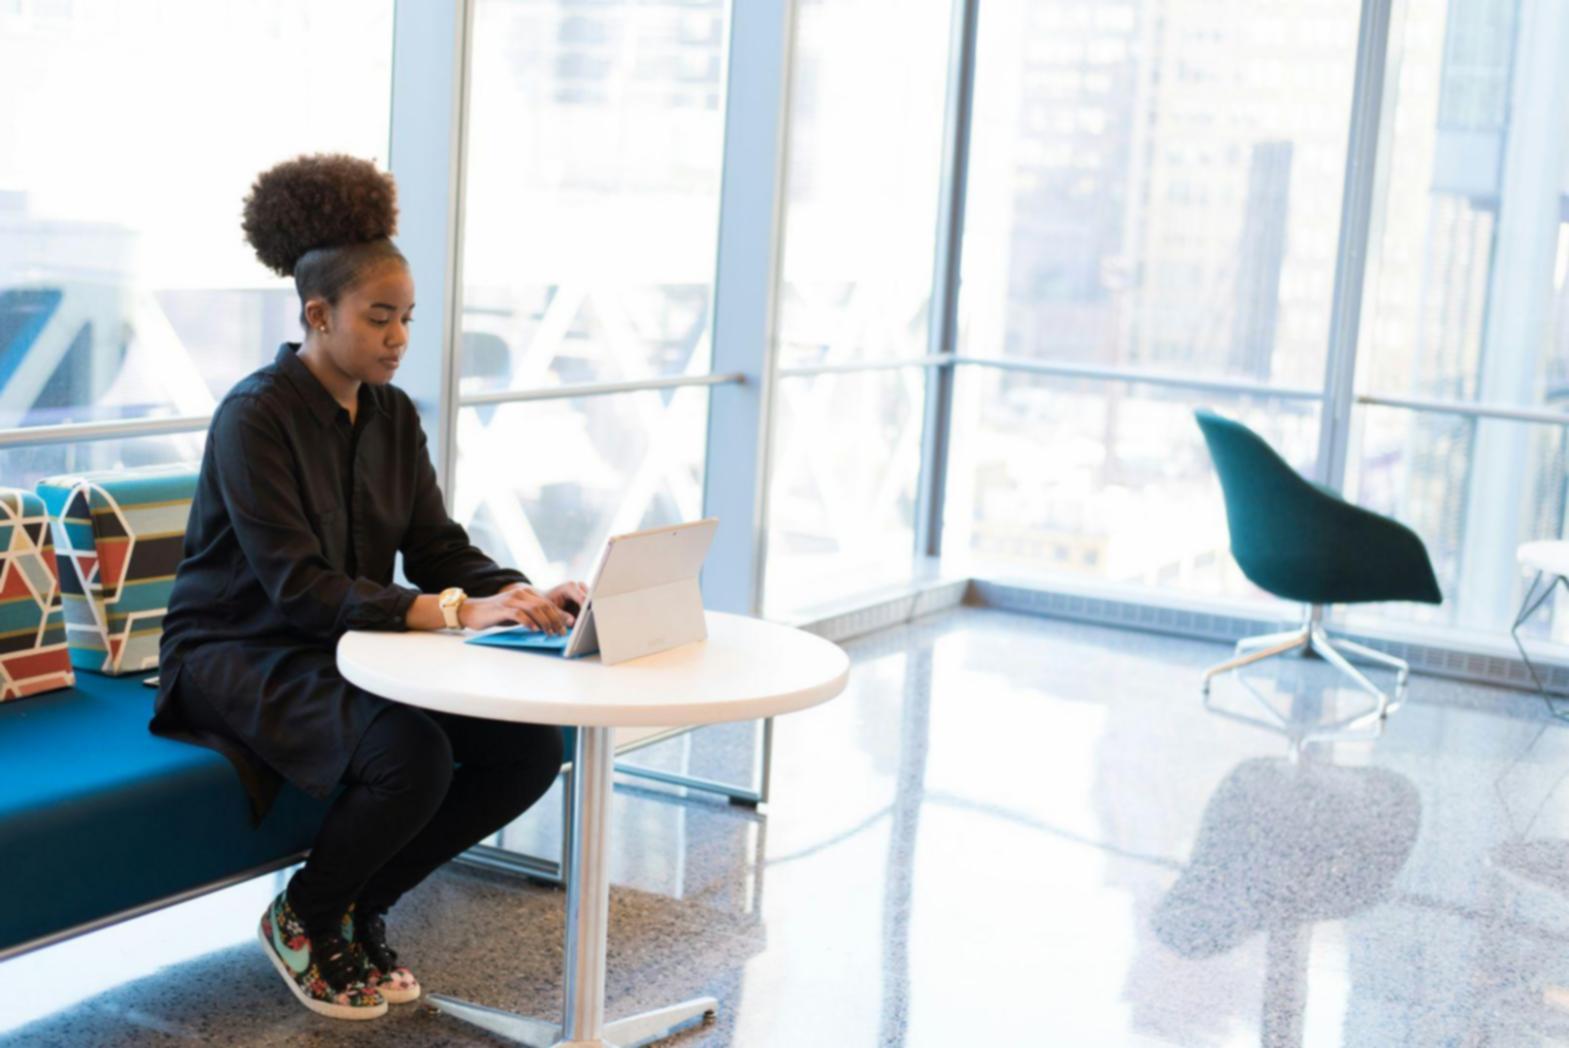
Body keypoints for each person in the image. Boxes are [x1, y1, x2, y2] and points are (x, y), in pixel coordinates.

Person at [151, 154, 580, 1021]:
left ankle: (358, 906)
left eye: (407, 319)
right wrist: (454, 613)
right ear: (318, 314)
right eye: (379, 318)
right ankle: (304, 917)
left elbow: (433, 545)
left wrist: (525, 595)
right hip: (237, 650)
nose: (398, 338)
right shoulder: (254, 416)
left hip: (347, 642)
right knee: (408, 755)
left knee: (528, 747)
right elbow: (294, 586)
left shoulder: (391, 415)